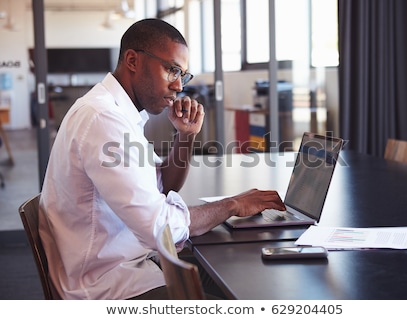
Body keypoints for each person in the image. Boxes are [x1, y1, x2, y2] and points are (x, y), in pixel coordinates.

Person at [39, 18, 286, 300]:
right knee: (244, 289)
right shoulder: (103, 118)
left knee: (233, 276)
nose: (179, 86)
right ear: (132, 60)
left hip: (126, 265)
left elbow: (164, 184)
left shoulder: (119, 113)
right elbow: (159, 229)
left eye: (183, 75)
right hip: (108, 286)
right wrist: (233, 204)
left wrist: (186, 134)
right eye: (172, 70)